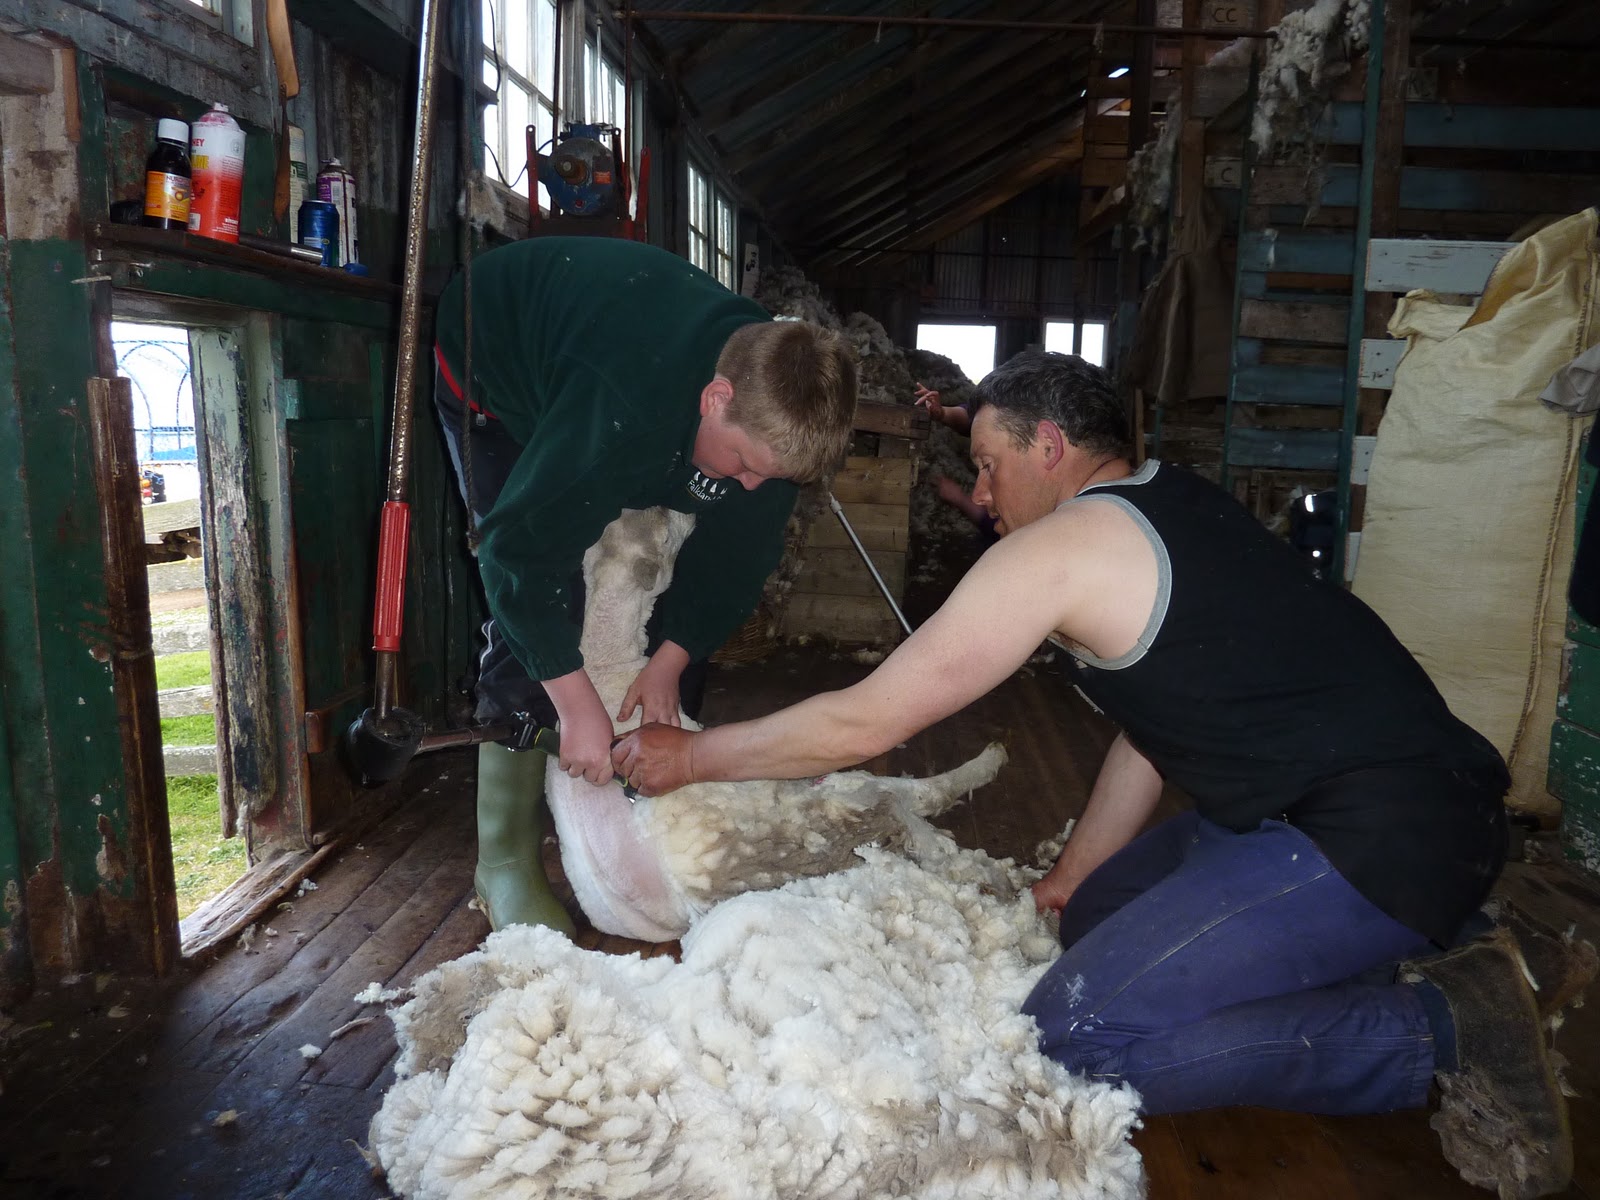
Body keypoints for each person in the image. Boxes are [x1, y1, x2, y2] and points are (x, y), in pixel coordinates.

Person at [613, 349, 1585, 1198]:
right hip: (1379, 809)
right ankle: (1440, 941)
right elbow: (1155, 728)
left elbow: (867, 721)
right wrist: (1074, 873)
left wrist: (691, 755)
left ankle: (1438, 1024)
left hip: (1374, 836)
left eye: (989, 467)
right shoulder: (1173, 502)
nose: (981, 495)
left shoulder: (1061, 550)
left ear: (1047, 449)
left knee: (1076, 1038)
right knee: (1089, 919)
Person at [433, 236, 857, 933]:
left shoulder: (770, 428)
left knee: (669, 582)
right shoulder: (622, 402)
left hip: (633, 381)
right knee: (550, 583)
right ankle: (502, 859)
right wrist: (574, 705)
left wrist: (671, 661)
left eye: (770, 477)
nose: (753, 486)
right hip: (496, 358)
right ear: (717, 398)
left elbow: (734, 562)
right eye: (745, 463)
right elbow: (515, 555)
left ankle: (646, 781)